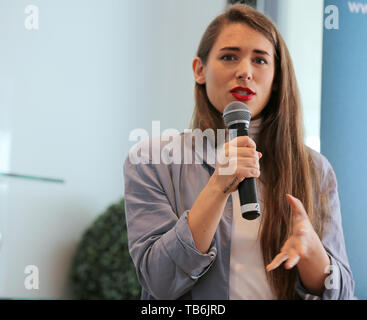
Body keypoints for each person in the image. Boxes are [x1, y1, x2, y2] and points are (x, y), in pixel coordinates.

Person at [123, 4, 355, 300]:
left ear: (276, 79)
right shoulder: (153, 159)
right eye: (229, 56)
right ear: (199, 70)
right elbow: (160, 282)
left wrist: (313, 254)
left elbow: (345, 293)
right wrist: (218, 187)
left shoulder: (314, 168)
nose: (245, 71)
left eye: (260, 60)